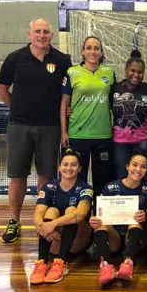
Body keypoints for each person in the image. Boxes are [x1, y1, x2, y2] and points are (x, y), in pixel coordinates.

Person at [0, 18, 71, 243]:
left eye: (46, 32)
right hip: (19, 126)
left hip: (50, 127)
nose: (42, 35)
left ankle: (41, 222)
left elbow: (68, 93)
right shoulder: (15, 58)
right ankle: (14, 221)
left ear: (52, 35)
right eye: (37, 31)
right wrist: (18, 108)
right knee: (17, 176)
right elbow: (1, 89)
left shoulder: (62, 60)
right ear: (29, 34)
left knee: (46, 177)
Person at [60, 36, 115, 197]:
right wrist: (64, 132)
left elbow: (114, 103)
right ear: (83, 51)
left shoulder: (109, 73)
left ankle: (99, 217)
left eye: (96, 48)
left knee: (103, 179)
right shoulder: (72, 73)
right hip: (78, 134)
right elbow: (64, 104)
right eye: (89, 48)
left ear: (101, 52)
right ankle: (78, 218)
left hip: (103, 134)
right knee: (77, 178)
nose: (93, 51)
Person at [89, 151, 147, 285]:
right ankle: (106, 266)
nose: (138, 169)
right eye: (134, 165)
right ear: (127, 166)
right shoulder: (111, 188)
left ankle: (128, 264)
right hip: (115, 239)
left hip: (137, 238)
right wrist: (94, 219)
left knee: (134, 222)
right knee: (101, 223)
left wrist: (146, 217)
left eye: (143, 166)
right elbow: (99, 213)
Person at [29, 149, 93, 284]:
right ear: (59, 167)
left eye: (73, 165)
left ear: (80, 169)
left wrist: (52, 225)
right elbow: (38, 214)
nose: (68, 168)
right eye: (65, 164)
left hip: (78, 241)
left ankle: (61, 262)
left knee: (72, 210)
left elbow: (80, 214)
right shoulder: (49, 186)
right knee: (50, 211)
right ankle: (42, 262)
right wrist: (43, 227)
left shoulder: (85, 188)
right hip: (53, 239)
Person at [111, 50, 147, 182]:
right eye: (132, 71)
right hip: (120, 141)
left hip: (143, 141)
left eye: (140, 72)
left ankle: (145, 202)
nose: (136, 75)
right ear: (126, 70)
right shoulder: (115, 89)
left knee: (144, 177)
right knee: (122, 176)